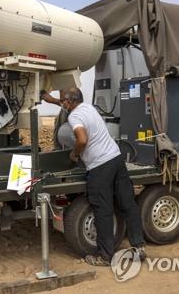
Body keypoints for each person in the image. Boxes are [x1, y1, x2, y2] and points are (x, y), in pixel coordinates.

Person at [61, 87, 146, 266]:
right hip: (116, 159)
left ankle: (105, 256)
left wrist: (75, 154)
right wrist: (49, 99)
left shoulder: (74, 117)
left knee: (103, 210)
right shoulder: (89, 108)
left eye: (62, 101)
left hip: (100, 167)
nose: (62, 104)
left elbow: (82, 139)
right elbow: (68, 103)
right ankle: (139, 247)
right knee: (127, 204)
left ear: (69, 102)